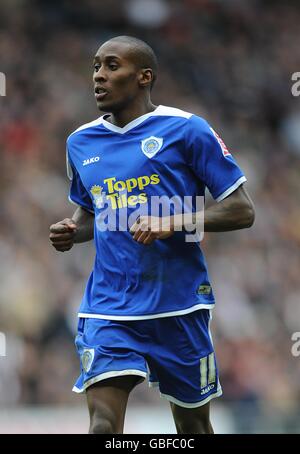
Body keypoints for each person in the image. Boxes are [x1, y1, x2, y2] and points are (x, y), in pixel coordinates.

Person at [49, 35, 255, 434]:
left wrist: (174, 221)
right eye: (95, 67)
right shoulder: (80, 142)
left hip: (178, 305)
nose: (99, 77)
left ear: (144, 77)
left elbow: (241, 209)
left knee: (193, 427)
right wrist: (72, 230)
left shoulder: (187, 130)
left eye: (112, 66)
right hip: (109, 306)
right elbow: (95, 212)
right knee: (103, 425)